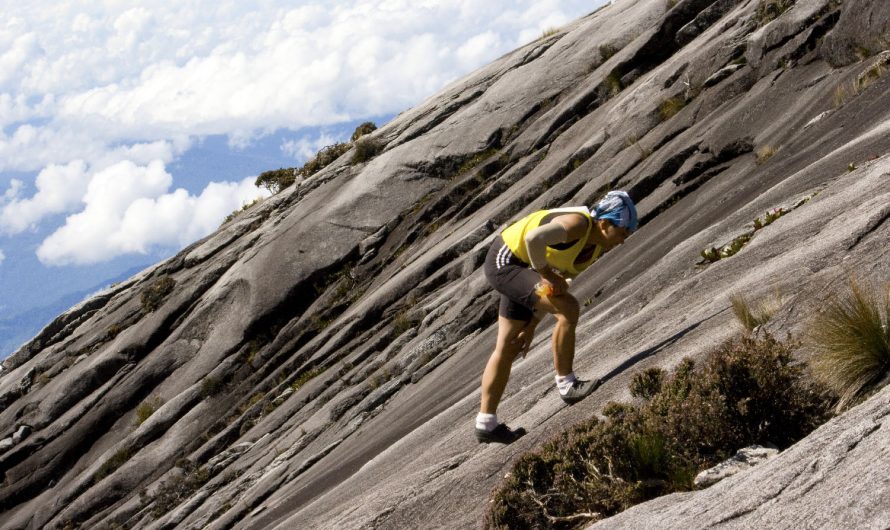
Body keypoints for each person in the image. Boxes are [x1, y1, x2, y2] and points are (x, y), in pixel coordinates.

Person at [475, 191, 638, 444]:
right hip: (506, 261)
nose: (623, 241)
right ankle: (567, 384)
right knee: (569, 309)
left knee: (509, 345)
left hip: (527, 268)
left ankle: (486, 423)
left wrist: (531, 325)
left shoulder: (595, 246)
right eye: (622, 233)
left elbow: (550, 292)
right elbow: (533, 238)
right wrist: (547, 274)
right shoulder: (578, 225)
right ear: (605, 224)